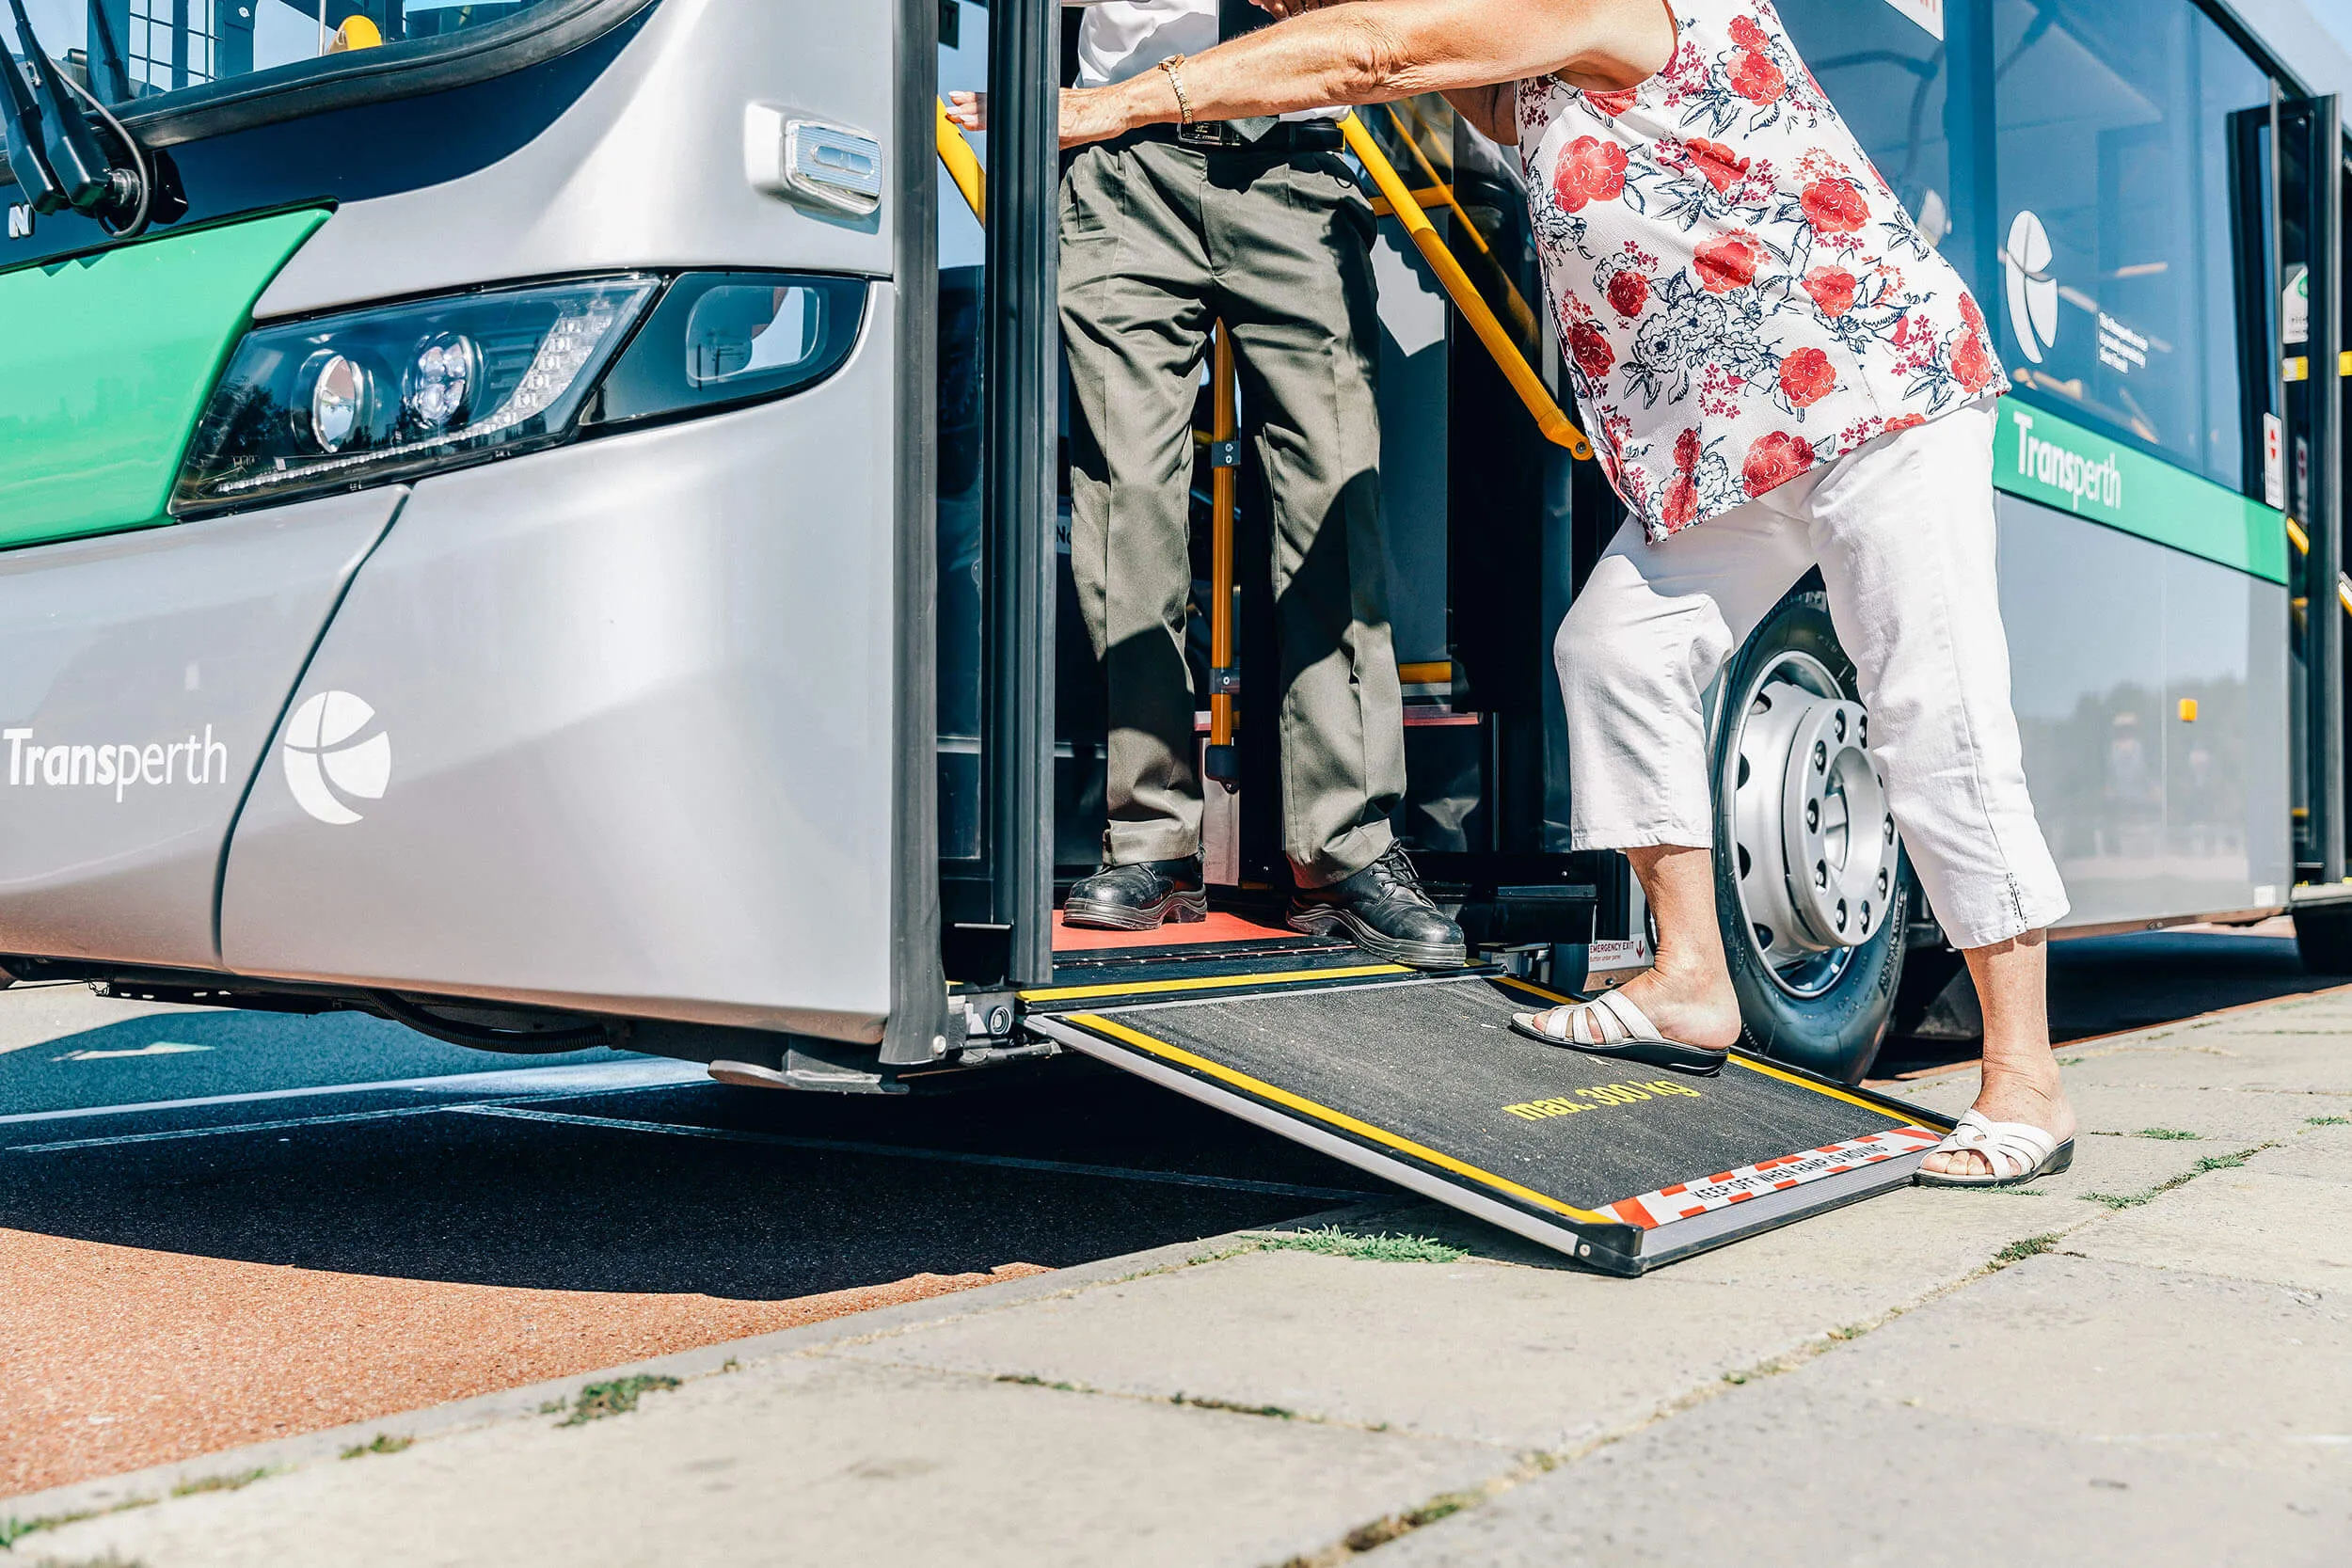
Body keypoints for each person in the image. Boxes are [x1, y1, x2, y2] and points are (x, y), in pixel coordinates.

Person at [1052, 0, 2076, 1188]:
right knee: (1616, 648)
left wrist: (1108, 103)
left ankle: (2025, 1078)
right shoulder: (1531, 64)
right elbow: (1414, 69)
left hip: (1870, 386)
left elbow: (1380, 50)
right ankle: (1690, 977)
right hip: (1741, 434)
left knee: (1931, 711)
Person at [949, 0, 1468, 970]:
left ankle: (1346, 847)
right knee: (1126, 502)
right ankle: (1150, 842)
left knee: (1331, 500)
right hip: (1121, 165)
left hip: (1292, 161)